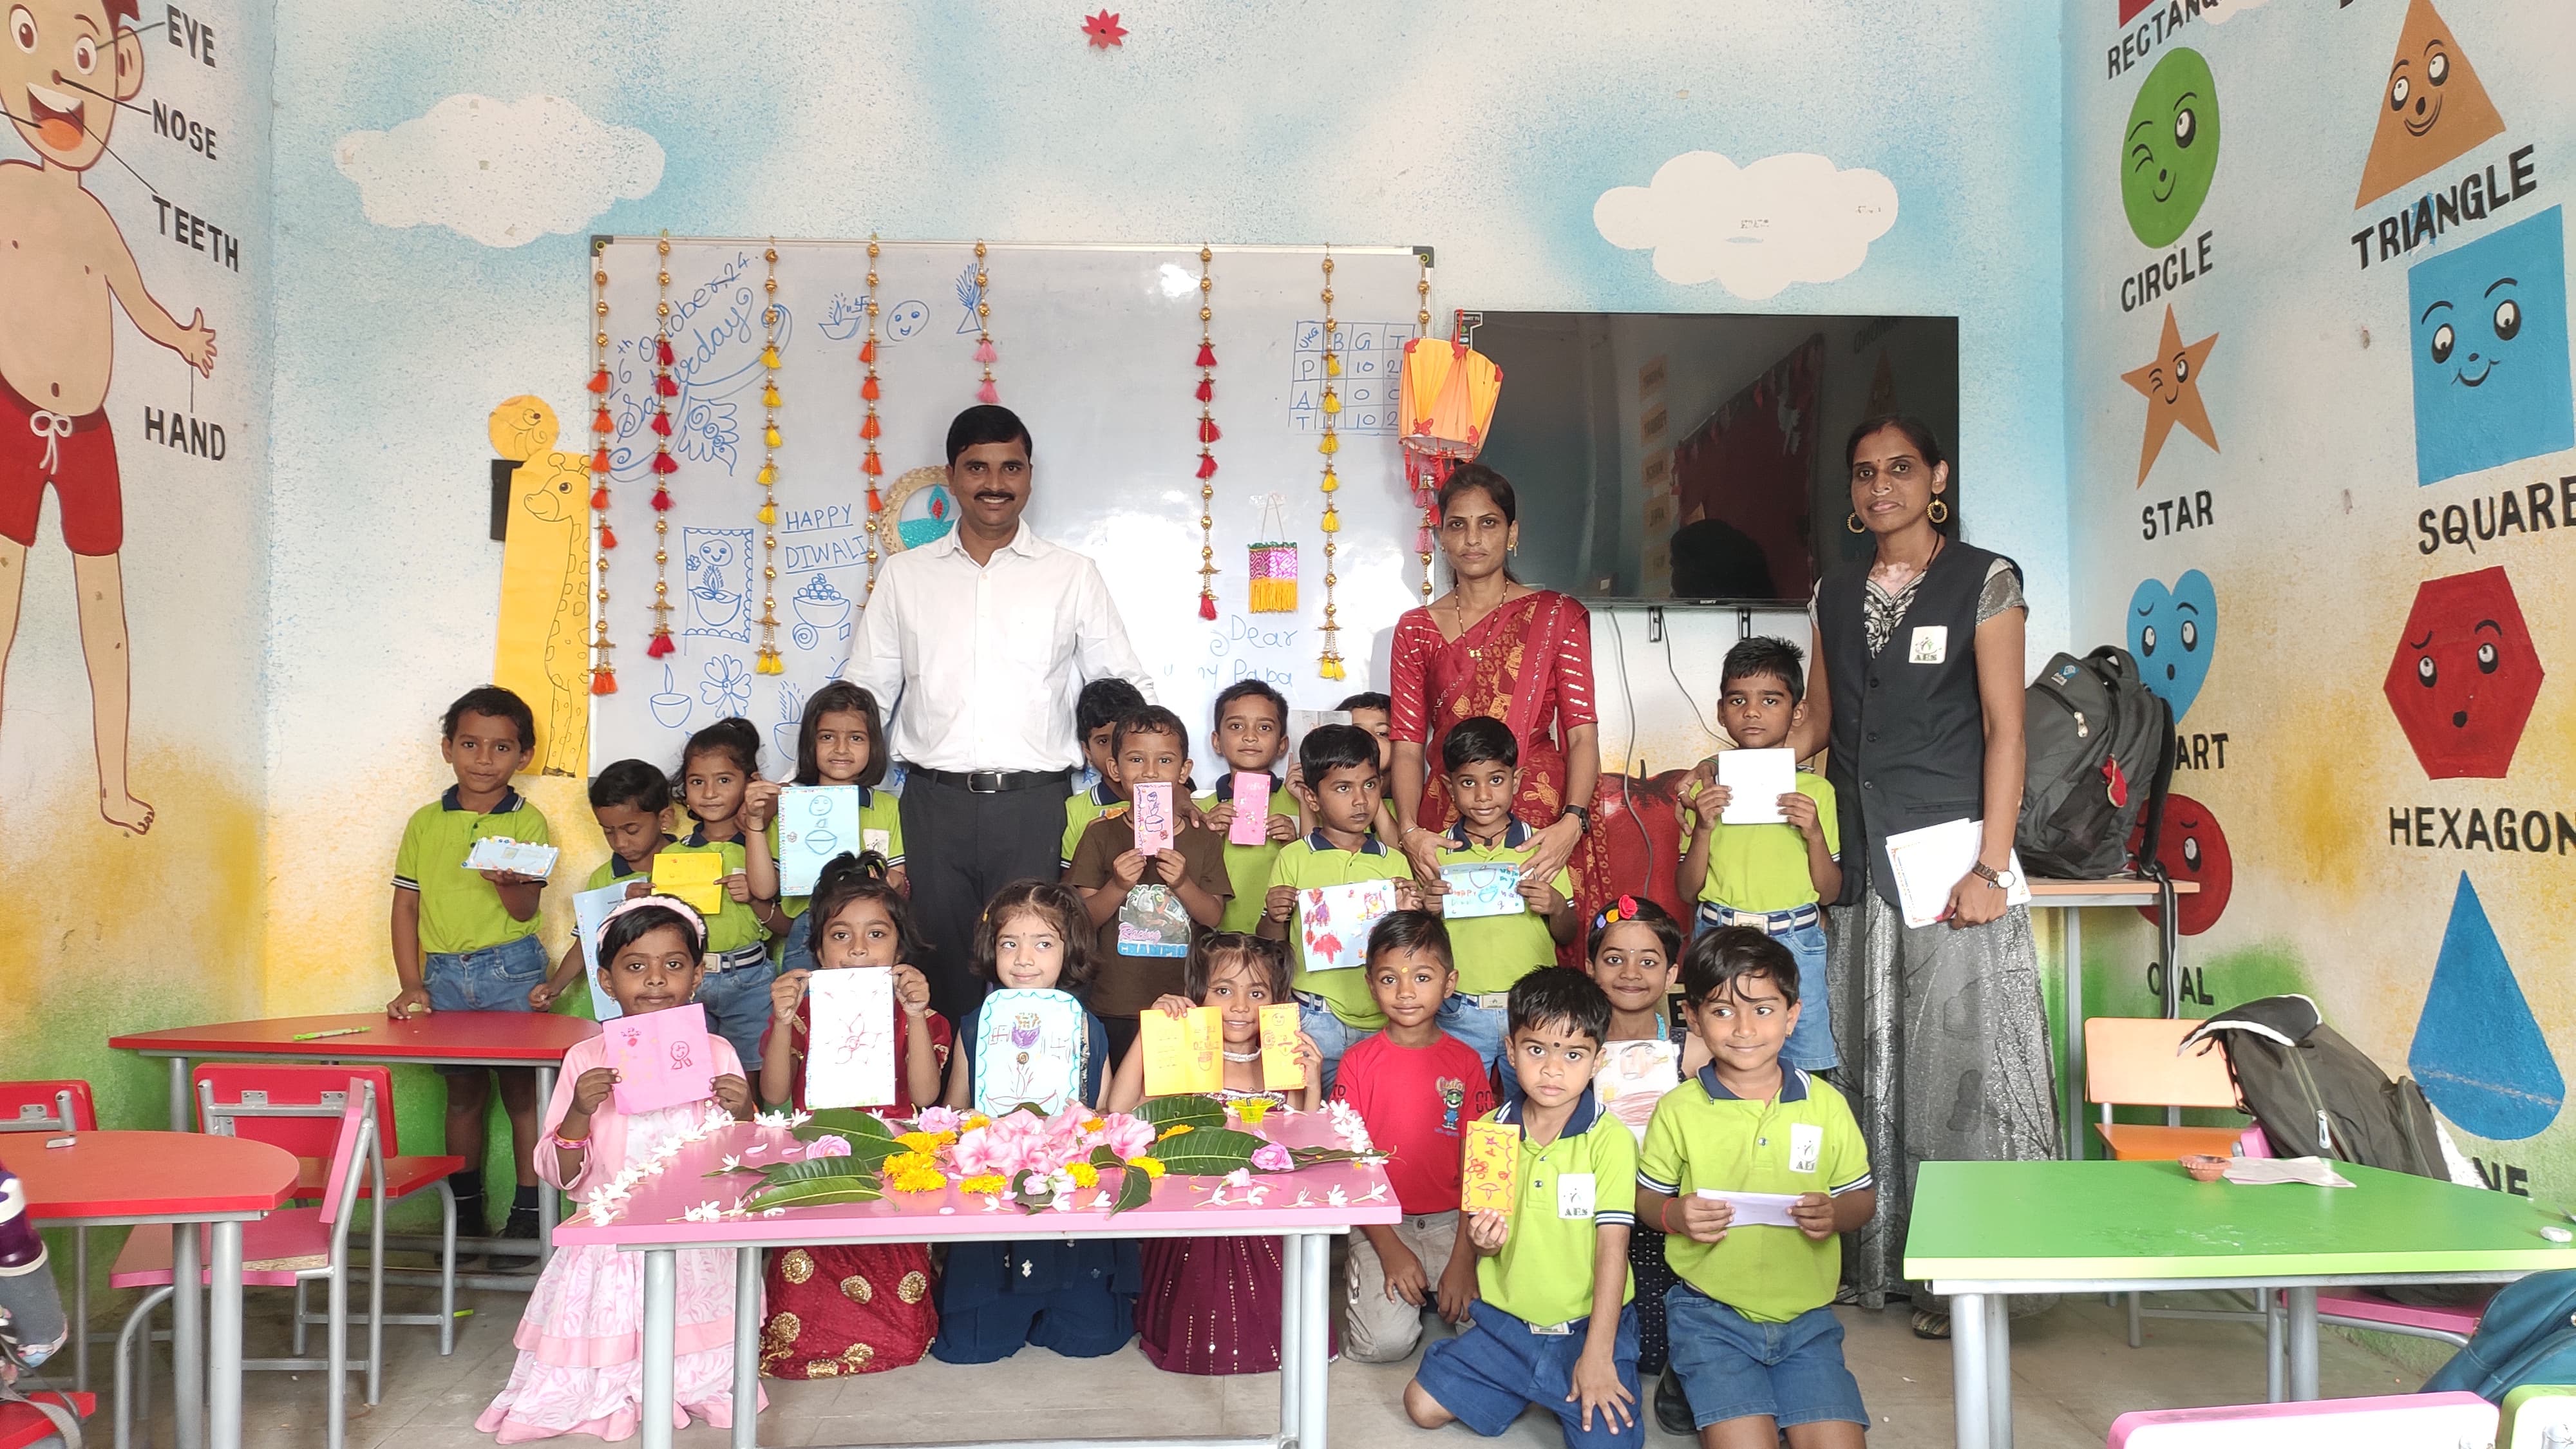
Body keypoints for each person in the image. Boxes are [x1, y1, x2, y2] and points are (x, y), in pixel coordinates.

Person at [1723, 414, 2052, 1338]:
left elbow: (2006, 730)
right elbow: (1817, 724)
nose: (1881, 487)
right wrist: (1737, 769)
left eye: (1900, 469)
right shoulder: (1836, 589)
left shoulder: (1986, 580)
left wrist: (1993, 863)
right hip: (1865, 860)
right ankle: (1878, 1262)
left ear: (1936, 475)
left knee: (1961, 1073)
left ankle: (1968, 1275)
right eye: (1865, 472)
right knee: (1871, 1068)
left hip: (1955, 865)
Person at [853, 405, 1155, 1022]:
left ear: (1030, 475)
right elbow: (866, 695)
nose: (995, 482)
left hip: (1036, 807)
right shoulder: (906, 577)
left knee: (1035, 960)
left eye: (1011, 467)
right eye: (978, 468)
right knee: (937, 963)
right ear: (953, 475)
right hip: (931, 807)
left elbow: (1125, 691)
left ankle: (1029, 1111)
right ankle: (943, 1112)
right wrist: (809, 786)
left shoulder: (1072, 575)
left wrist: (1158, 787)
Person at [475, 898, 760, 1441]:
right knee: (599, 1357)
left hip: (695, 1236)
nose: (656, 981)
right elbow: (559, 1173)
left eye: (674, 965)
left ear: (698, 975)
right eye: (635, 967)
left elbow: (747, 1160)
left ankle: (685, 1383)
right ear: (606, 981)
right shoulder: (586, 1059)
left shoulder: (718, 1052)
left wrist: (743, 1111)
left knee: (696, 1361)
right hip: (610, 1235)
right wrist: (581, 1110)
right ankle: (609, 1384)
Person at [1635, 928, 1875, 1449]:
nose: (1744, 1028)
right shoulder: (1678, 1108)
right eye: (1722, 1012)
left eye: (1763, 1010)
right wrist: (1676, 1215)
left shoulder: (1826, 1105)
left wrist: (1835, 1214)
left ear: (1792, 1015)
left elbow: (1862, 1199)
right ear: (1693, 1018)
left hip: (1807, 1319)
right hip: (1710, 1313)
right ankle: (1691, 1368)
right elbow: (1646, 1199)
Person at [1407, 968, 1642, 1449]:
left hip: (1587, 1328)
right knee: (1422, 1406)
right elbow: (1480, 1236)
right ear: (1511, 1051)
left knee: (1611, 1444)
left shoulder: (1610, 1140)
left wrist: (1597, 1355)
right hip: (1508, 1327)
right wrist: (1480, 1241)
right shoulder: (1491, 1133)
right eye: (1537, 1050)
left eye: (1573, 1054)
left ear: (1597, 1060)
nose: (1553, 1070)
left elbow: (1612, 1251)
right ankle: (1533, 1382)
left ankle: (1562, 1379)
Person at [1389, 465, 1613, 967]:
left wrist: (1571, 823)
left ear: (1512, 533)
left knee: (1541, 940)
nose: (1472, 539)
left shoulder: (1559, 616)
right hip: (1447, 810)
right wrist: (1409, 832)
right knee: (1448, 953)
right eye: (1457, 525)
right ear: (1440, 535)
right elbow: (1406, 744)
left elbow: (1581, 735)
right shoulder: (1416, 630)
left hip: (1543, 810)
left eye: (1488, 523)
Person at [755, 853, 947, 1378]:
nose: (858, 949)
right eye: (840, 936)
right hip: (817, 1155)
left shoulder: (922, 1015)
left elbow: (927, 1097)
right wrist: (782, 1019)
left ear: (900, 948)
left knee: (892, 1268)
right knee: (812, 1257)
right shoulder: (805, 1010)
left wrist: (913, 1017)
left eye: (876, 935)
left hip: (891, 1157)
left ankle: (892, 1332)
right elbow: (774, 1095)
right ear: (817, 949)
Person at [931, 880, 1135, 1363]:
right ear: (991, 950)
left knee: (1093, 1340)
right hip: (994, 1201)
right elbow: (954, 1105)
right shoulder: (977, 1023)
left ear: (1071, 951)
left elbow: (1101, 1112)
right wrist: (980, 1134)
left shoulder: (1086, 1025)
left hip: (1066, 1197)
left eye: (1043, 943)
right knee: (972, 1346)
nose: (1025, 958)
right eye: (1009, 943)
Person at [1105, 933, 1326, 1374]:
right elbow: (1119, 1109)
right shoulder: (1185, 1052)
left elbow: (1304, 1136)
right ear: (1198, 995)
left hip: (1269, 1215)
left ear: (1278, 1001)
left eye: (1257, 992)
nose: (1241, 1005)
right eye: (1224, 990)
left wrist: (1313, 1076)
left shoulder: (1282, 1059)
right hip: (1196, 1211)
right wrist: (1155, 1029)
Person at [386, 685, 553, 1251]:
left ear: (523, 756)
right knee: (462, 1096)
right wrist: (413, 983)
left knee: (523, 1095)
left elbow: (527, 910)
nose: (484, 760)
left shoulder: (529, 825)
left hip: (512, 970)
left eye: (501, 748)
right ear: (447, 748)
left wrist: (508, 887)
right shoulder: (423, 824)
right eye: (470, 744)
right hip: (443, 977)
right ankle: (465, 1216)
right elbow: (406, 905)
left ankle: (530, 1212)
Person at [1327, 911, 1493, 1365]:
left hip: (1454, 1224)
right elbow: (1351, 1166)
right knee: (1383, 1346)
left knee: (1492, 1335)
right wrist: (1389, 1249)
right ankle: (1388, 1281)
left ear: (1449, 981)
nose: (1405, 992)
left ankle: (1441, 1279)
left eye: (1422, 977)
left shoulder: (1466, 1064)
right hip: (1382, 1222)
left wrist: (1465, 1258)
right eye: (1389, 978)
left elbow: (1484, 1168)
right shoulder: (1357, 1064)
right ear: (1369, 983)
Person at [1676, 638, 1842, 1073]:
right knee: (1716, 1060)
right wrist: (1705, 829)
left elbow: (1829, 893)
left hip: (1795, 941)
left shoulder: (1817, 792)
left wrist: (1815, 835)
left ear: (1797, 711)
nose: (1752, 712)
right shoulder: (1705, 789)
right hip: (1719, 936)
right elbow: (1687, 889)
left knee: (1802, 1063)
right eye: (1739, 700)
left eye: (1771, 700)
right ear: (1721, 710)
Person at [1578, 895, 1700, 1428]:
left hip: (1659, 1220)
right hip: (1584, 1217)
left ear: (1672, 972)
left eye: (1649, 961)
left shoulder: (1691, 1049)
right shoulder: (1568, 1046)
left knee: (1652, 1353)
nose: (1631, 973)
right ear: (1588, 967)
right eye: (1614, 959)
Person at [1257, 723, 1424, 1092]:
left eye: (1370, 784)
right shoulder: (1294, 857)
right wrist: (1274, 913)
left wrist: (1411, 911)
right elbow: (1271, 942)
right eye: (1343, 789)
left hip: (1379, 1017)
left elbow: (1407, 947)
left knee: (1365, 1120)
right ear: (1313, 799)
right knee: (1302, 1116)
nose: (1361, 800)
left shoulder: (1393, 862)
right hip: (1313, 1015)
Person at [1066, 706, 1233, 1061]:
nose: (1150, 772)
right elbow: (1082, 920)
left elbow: (1214, 916)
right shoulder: (1100, 835)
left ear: (1185, 770)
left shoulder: (1202, 838)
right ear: (1115, 768)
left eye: (1165, 761)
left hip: (1183, 1000)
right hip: (1114, 1001)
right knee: (1114, 1105)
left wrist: (1184, 883)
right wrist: (1117, 886)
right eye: (1136, 760)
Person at [1425, 715, 1578, 1068]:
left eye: (1496, 780)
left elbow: (1569, 932)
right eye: (1468, 783)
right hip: (1459, 1009)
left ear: (1517, 780)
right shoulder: (1437, 852)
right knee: (1459, 1105)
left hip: (1530, 1009)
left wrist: (1556, 907)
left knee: (1531, 1107)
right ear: (1449, 787)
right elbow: (1422, 937)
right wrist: (1428, 910)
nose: (1483, 796)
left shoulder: (1542, 847)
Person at [743, 681, 905, 981]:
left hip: (870, 932)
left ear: (873, 745)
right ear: (810, 744)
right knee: (802, 1020)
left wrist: (885, 879)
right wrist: (754, 824)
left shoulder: (885, 807)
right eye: (828, 737)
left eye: (856, 738)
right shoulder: (789, 804)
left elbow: (898, 880)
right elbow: (764, 890)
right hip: (806, 931)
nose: (841, 749)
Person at [662, 718, 775, 1068]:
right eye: (697, 782)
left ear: (750, 783)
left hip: (749, 978)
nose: (709, 793)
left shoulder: (761, 845)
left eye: (724, 780)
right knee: (693, 1073)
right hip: (690, 979)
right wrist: (644, 902)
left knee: (749, 1073)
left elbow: (773, 901)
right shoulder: (672, 855)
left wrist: (754, 899)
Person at [529, 759, 674, 1013]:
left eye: (631, 830)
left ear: (664, 819)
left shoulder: (689, 863)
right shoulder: (602, 879)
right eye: (608, 832)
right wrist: (555, 986)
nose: (620, 842)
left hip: (680, 999)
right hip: (625, 1007)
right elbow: (585, 942)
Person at [1197, 680, 1300, 934]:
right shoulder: (1199, 809)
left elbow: (1320, 868)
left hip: (1282, 941)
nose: (1250, 736)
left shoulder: (1300, 802)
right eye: (1236, 726)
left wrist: (1295, 842)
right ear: (1217, 741)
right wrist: (1205, 839)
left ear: (1282, 744)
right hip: (1217, 941)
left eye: (1264, 727)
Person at [1065, 677, 1148, 870]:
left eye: (1124, 737)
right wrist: (1088, 844)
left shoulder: (1171, 801)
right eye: (1103, 741)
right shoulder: (1075, 811)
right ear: (1088, 753)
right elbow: (1067, 892)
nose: (1115, 750)